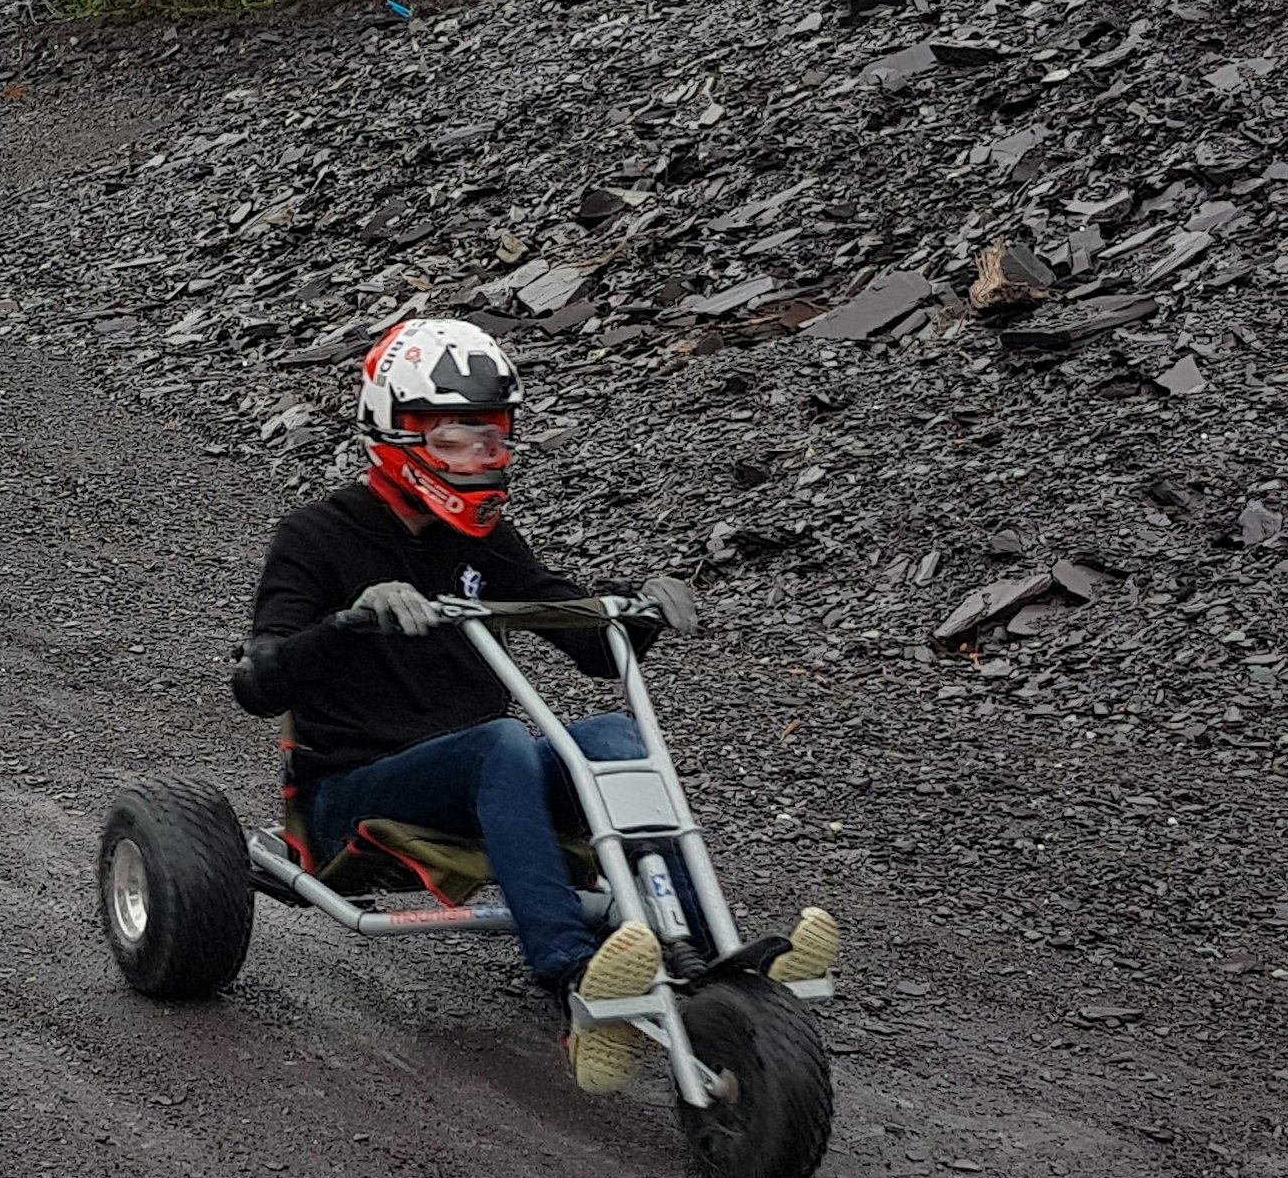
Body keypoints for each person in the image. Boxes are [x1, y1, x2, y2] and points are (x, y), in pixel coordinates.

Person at [230, 319, 836, 1094]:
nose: (479, 460)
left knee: (613, 736)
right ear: (394, 434)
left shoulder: (482, 540)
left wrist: (636, 607)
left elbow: (577, 633)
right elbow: (258, 681)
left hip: (485, 774)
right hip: (354, 792)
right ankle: (573, 978)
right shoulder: (317, 535)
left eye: (492, 440)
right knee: (501, 743)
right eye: (453, 441)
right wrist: (349, 622)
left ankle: (704, 959)